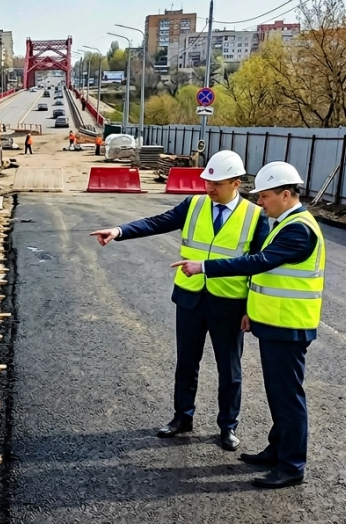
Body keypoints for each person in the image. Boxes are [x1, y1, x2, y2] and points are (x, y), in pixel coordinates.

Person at [89, 150, 268, 451]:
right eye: (207, 181)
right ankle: (182, 417)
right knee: (186, 363)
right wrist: (119, 231)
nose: (209, 188)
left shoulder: (255, 216)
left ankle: (227, 427)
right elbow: (158, 222)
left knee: (230, 368)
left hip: (229, 303)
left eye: (218, 184)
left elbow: (259, 266)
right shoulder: (194, 204)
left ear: (236, 183)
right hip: (190, 300)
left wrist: (251, 309)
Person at [172, 161, 324, 489]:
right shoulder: (286, 222)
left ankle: (291, 466)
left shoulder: (299, 228)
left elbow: (258, 262)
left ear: (286, 195)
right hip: (274, 323)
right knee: (278, 395)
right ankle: (277, 449)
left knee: (288, 398)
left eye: (265, 196)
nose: (259, 203)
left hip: (289, 325)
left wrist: (205, 267)